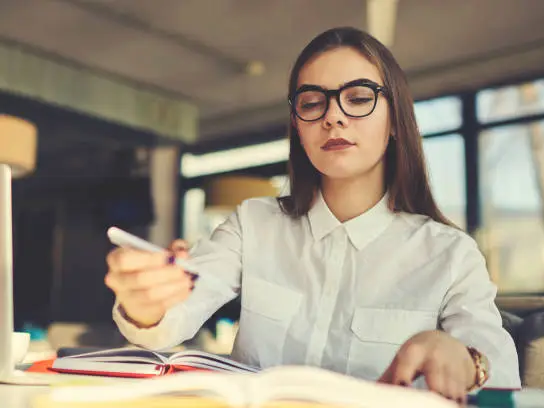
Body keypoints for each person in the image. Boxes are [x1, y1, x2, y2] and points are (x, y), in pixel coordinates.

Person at [104, 27, 521, 402]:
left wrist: (465, 359)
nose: (333, 116)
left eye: (358, 98)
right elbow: (171, 319)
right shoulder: (253, 224)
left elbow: (502, 375)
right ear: (297, 127)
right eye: (312, 103)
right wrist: (145, 300)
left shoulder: (449, 255)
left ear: (396, 120)